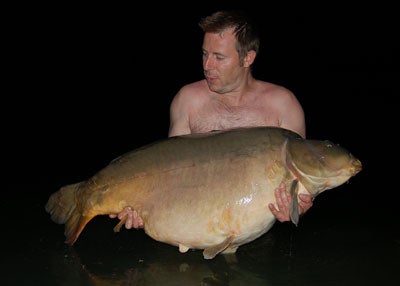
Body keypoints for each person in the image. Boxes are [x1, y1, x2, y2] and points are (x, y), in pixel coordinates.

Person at [110, 10, 313, 229]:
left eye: (219, 57)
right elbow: (171, 178)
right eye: (205, 54)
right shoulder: (188, 100)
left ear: (248, 58)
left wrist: (297, 207)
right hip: (191, 229)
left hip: (253, 235)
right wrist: (143, 211)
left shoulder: (283, 105)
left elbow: (302, 183)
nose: (207, 65)